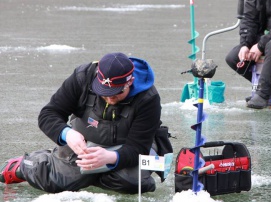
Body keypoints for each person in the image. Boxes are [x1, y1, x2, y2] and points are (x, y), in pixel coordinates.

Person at [0, 52, 172, 194]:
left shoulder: (148, 98)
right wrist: (67, 134)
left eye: (117, 93)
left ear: (130, 83)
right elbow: (48, 114)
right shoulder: (82, 78)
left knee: (134, 183)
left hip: (126, 146)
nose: (110, 98)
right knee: (56, 182)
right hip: (85, 142)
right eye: (104, 92)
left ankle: (93, 175)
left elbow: (138, 147)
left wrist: (112, 158)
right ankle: (25, 165)